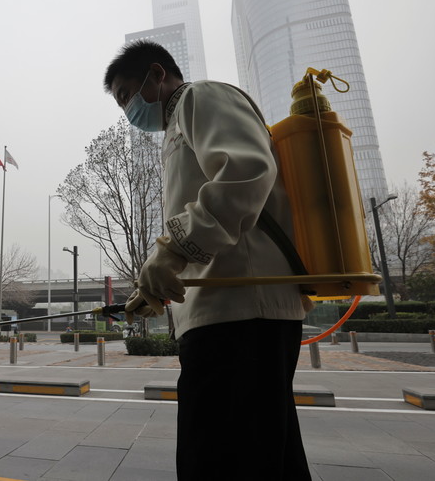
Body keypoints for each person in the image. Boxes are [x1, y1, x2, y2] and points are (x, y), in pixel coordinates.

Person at [105, 41, 311, 480]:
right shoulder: (177, 124)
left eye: (127, 95)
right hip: (227, 314)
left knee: (219, 461)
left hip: (241, 313)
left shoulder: (202, 97)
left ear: (157, 75)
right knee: (264, 460)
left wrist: (172, 252)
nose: (128, 110)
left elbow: (244, 172)